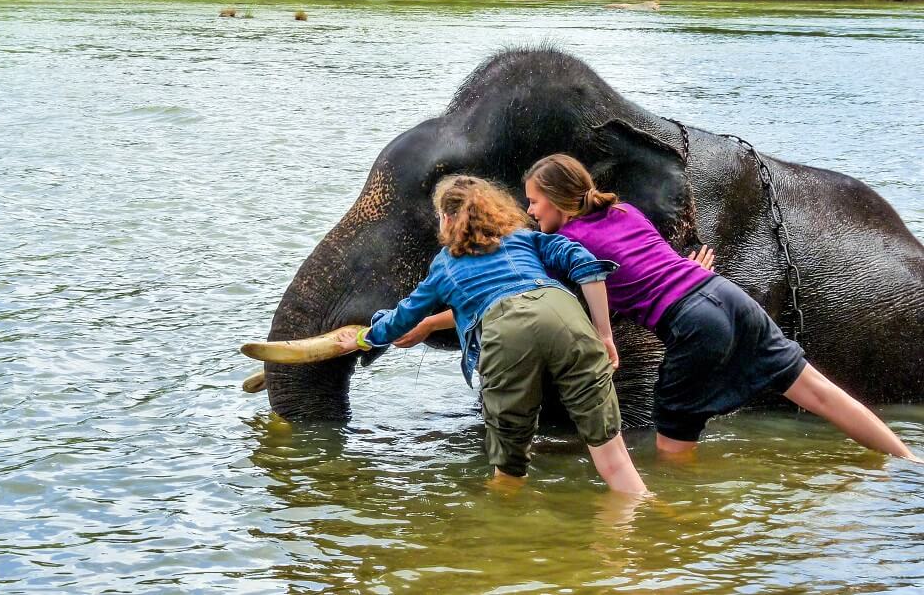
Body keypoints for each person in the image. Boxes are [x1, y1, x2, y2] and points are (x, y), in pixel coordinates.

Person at [515, 153, 918, 461]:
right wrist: (687, 271)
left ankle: (686, 517)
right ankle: (911, 464)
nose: (531, 212)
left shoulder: (565, 242)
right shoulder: (625, 211)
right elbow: (645, 264)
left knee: (670, 446)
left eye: (533, 202)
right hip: (724, 294)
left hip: (691, 324)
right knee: (821, 394)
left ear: (556, 199)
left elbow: (591, 277)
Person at [336, 175, 649, 494]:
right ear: (494, 209)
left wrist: (364, 339)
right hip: (565, 313)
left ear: (446, 218)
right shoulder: (524, 238)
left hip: (506, 332)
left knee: (509, 472)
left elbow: (403, 318)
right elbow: (586, 266)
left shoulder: (444, 265)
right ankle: (650, 522)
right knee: (615, 460)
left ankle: (507, 534)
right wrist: (604, 335)